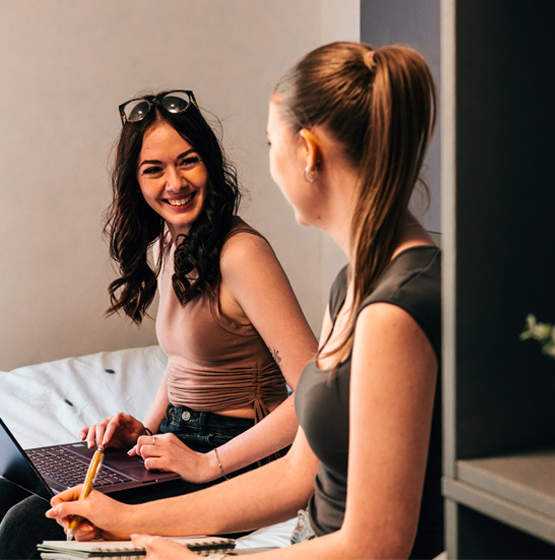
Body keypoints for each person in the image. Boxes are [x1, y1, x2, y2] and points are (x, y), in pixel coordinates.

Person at [47, 41, 443, 560]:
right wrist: (126, 520)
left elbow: (377, 544)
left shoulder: (396, 308)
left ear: (307, 153)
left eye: (269, 142)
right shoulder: (356, 283)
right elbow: (297, 476)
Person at [0, 89, 317, 560]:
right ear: (135, 181)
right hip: (179, 441)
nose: (174, 183)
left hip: (237, 457)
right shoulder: (169, 242)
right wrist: (145, 429)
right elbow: (182, 363)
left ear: (210, 166)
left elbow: (313, 391)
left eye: (188, 162)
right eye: (154, 169)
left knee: (27, 525)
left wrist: (207, 463)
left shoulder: (242, 253)